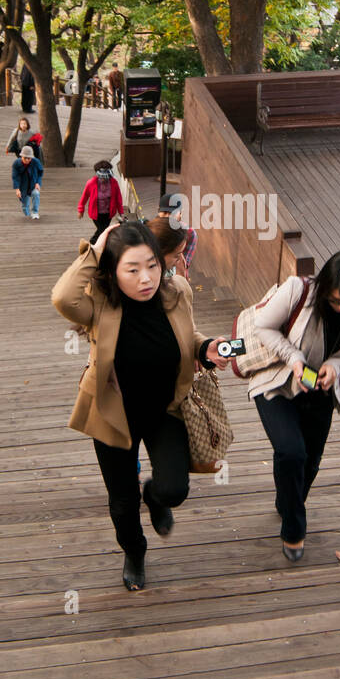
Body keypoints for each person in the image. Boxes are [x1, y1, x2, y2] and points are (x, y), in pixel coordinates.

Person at [51, 219, 231, 591]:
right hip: (113, 415)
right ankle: (135, 552)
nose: (146, 278)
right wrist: (98, 248)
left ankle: (155, 496)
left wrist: (204, 347)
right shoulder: (98, 303)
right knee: (122, 502)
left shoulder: (176, 290)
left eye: (151, 264)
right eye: (132, 269)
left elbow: (188, 332)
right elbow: (62, 298)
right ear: (113, 271)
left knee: (175, 489)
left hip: (166, 410)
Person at [249, 251, 340, 563]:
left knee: (310, 462)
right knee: (291, 451)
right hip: (279, 381)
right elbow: (263, 326)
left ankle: (288, 502)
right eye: (335, 301)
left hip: (321, 390)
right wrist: (293, 357)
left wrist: (337, 366)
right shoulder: (298, 290)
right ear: (325, 286)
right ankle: (294, 528)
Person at [78, 160, 124, 243]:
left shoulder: (114, 183)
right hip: (96, 213)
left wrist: (121, 212)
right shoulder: (91, 183)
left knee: (102, 230)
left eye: (105, 177)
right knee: (103, 231)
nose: (103, 179)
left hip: (108, 213)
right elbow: (84, 197)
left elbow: (118, 198)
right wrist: (81, 210)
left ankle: (95, 244)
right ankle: (93, 243)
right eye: (101, 177)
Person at [158, 193, 198, 274]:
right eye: (164, 212)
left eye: (172, 213)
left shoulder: (190, 233)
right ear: (158, 211)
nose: (167, 217)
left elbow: (183, 265)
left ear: (180, 213)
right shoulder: (152, 228)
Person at [12, 144, 43, 219]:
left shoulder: (36, 162)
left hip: (33, 183)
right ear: (21, 156)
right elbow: (15, 177)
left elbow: (40, 172)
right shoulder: (16, 163)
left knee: (36, 194)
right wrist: (17, 189)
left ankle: (35, 212)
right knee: (25, 204)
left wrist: (38, 183)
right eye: (25, 158)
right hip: (23, 186)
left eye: (29, 158)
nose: (27, 160)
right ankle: (27, 215)